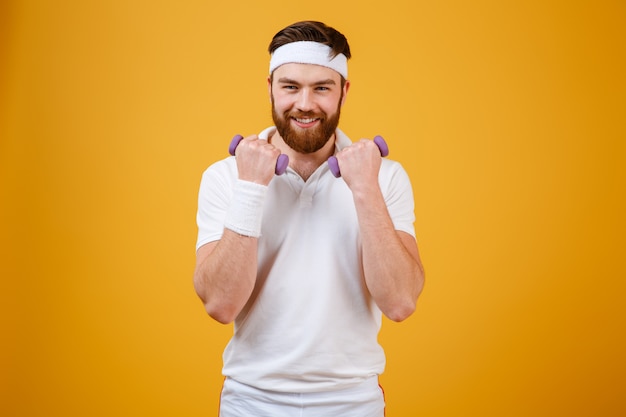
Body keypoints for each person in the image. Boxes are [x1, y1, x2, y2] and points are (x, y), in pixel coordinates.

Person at [193, 20, 425, 417]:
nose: (304, 103)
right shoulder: (226, 176)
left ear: (343, 92)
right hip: (252, 402)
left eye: (321, 87)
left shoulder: (384, 176)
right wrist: (250, 187)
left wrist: (365, 189)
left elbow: (401, 302)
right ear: (269, 87)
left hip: (353, 402)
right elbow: (220, 305)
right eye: (290, 86)